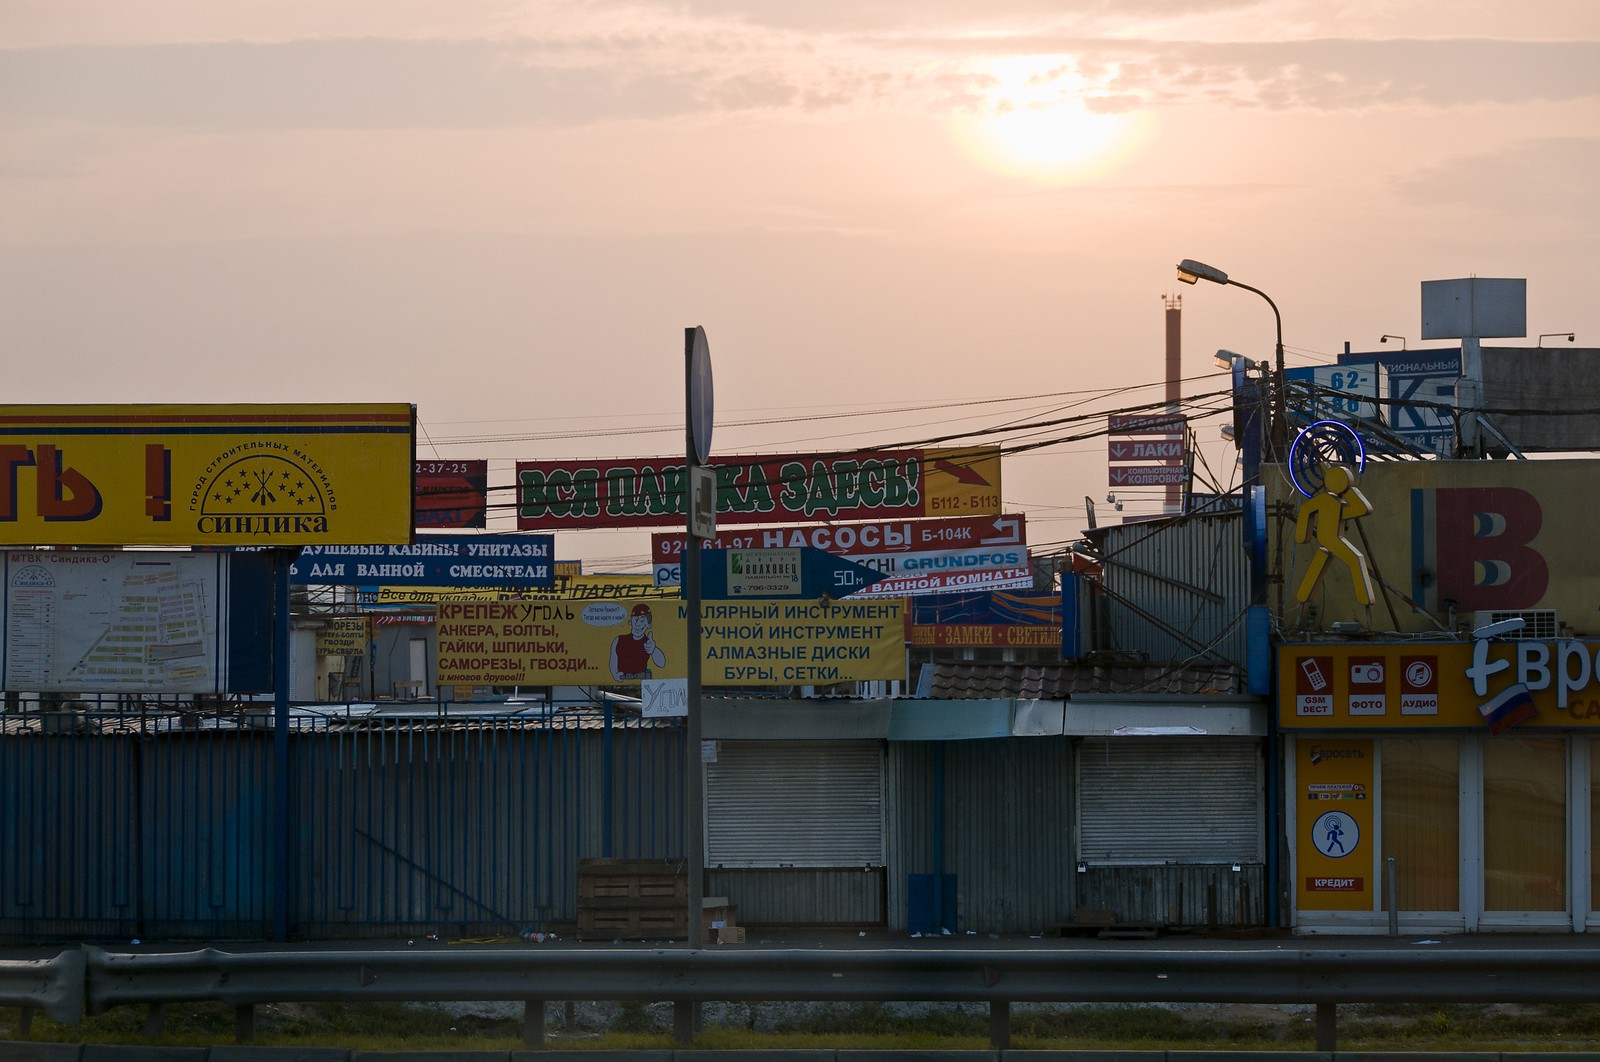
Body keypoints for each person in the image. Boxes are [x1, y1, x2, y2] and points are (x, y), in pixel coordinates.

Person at [610, 602, 665, 681]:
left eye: (642, 620)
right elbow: (613, 660)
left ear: (648, 625)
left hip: (642, 683)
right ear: (630, 622)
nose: (638, 623)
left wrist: (653, 650)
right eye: (636, 619)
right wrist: (615, 674)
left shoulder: (648, 643)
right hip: (621, 683)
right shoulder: (619, 640)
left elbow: (661, 663)